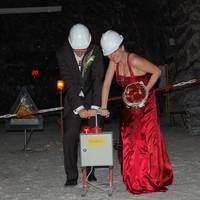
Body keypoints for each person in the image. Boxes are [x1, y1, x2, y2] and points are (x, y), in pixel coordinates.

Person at [99, 30, 173, 194]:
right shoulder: (114, 60)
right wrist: (103, 107)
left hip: (145, 102)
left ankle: (143, 178)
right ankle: (133, 176)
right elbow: (106, 85)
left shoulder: (134, 60)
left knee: (141, 139)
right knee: (127, 137)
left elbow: (157, 72)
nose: (112, 57)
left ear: (121, 47)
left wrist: (144, 92)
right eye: (109, 55)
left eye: (114, 52)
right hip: (130, 102)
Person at [56, 23, 104, 186]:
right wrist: (80, 108)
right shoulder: (62, 54)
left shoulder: (95, 51)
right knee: (69, 136)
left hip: (92, 96)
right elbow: (68, 83)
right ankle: (71, 175)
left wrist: (95, 107)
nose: (81, 52)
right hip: (73, 100)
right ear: (70, 44)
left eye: (83, 49)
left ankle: (90, 171)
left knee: (94, 134)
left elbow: (97, 78)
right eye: (77, 49)